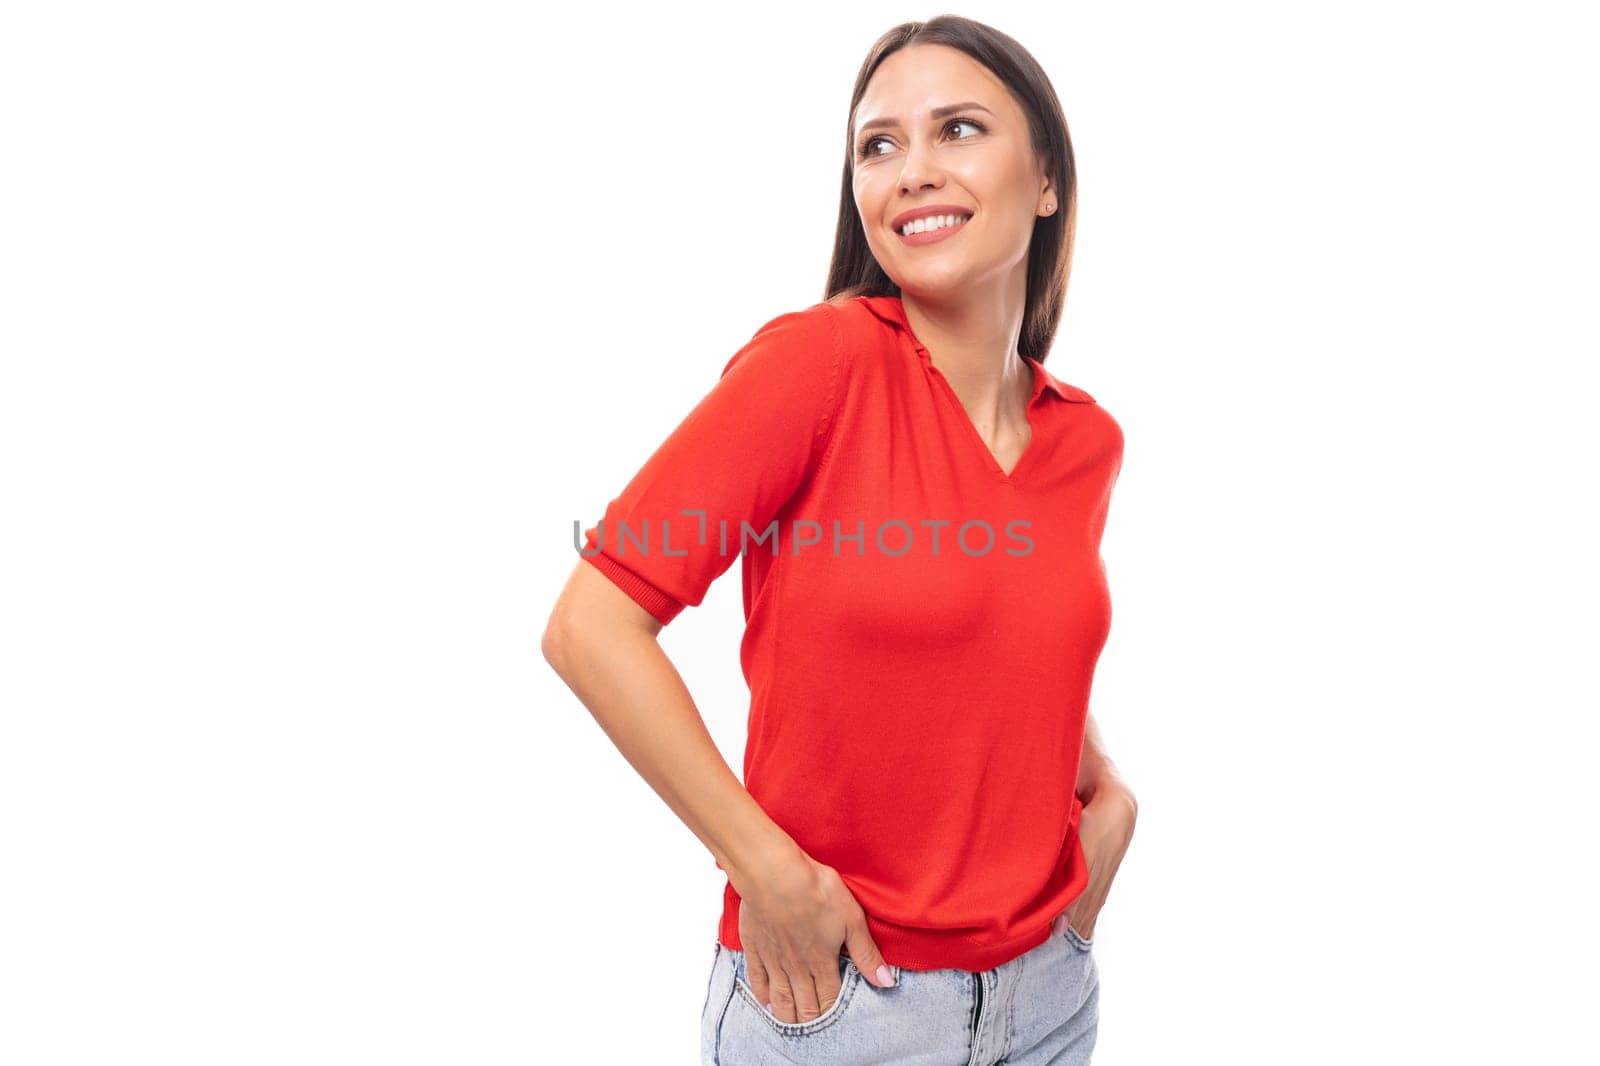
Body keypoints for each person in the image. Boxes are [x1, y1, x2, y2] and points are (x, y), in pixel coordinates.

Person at [543, 15, 1136, 1064]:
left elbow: (1009, 632)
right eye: (878, 144)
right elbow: (593, 624)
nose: (910, 170)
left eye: (957, 130)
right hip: (843, 1004)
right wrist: (765, 869)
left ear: (1047, 178)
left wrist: (1105, 795)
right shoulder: (820, 366)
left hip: (1047, 996)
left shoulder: (1082, 437)